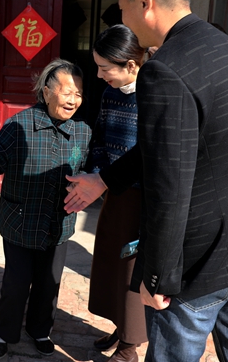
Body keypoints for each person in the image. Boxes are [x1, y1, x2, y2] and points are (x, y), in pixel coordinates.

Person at [64, 0, 228, 362]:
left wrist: (157, 276)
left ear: (144, 1)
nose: (123, 19)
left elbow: (169, 184)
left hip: (203, 262)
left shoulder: (166, 70)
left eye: (123, 7)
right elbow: (161, 148)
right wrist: (104, 179)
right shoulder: (227, 48)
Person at [0, 59, 91, 359]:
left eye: (78, 94)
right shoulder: (20, 125)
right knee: (16, 284)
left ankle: (40, 330)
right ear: (47, 91)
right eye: (67, 92)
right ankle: (5, 331)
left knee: (49, 284)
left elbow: (88, 170)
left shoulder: (83, 130)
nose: (73, 100)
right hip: (21, 220)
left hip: (59, 222)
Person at [87, 24, 147, 362]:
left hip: (139, 198)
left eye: (105, 68)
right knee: (110, 262)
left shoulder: (152, 95)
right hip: (112, 189)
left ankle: (129, 347)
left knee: (130, 269)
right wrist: (98, 174)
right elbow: (99, 135)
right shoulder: (110, 92)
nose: (99, 75)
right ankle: (121, 327)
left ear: (131, 65)